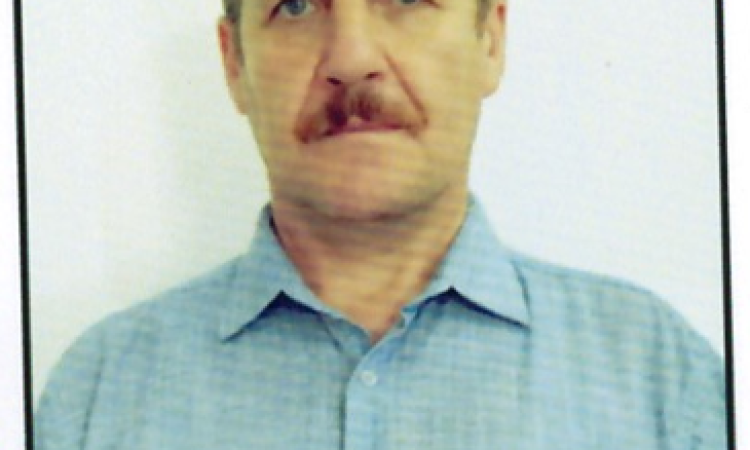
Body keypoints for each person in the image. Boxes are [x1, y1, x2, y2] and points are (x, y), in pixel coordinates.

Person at [34, 0, 727, 448]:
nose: (352, 58)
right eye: (296, 4)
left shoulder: (660, 381)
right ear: (234, 63)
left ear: (491, 40)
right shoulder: (97, 396)